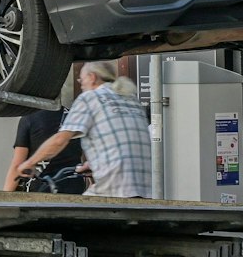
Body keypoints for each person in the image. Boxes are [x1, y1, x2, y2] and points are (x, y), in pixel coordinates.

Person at [9, 61, 151, 198]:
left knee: (77, 213)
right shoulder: (131, 100)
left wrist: (30, 163)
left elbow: (60, 140)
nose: (81, 84)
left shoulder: (90, 98)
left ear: (92, 77)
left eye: (81, 79)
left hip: (114, 188)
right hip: (145, 188)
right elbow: (123, 143)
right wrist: (94, 165)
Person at [4, 105, 87, 193]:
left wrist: (3, 199)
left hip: (42, 191)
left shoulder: (29, 119)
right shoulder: (74, 117)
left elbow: (17, 164)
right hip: (74, 188)